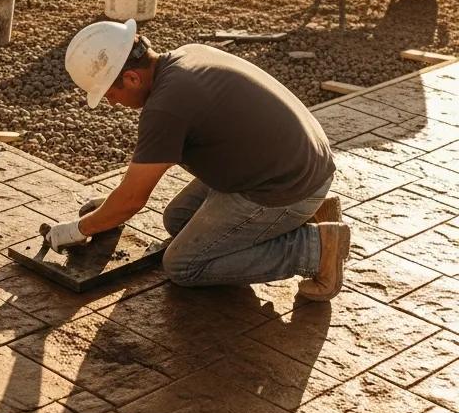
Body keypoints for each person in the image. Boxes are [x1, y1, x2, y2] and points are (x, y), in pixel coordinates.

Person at [47, 21, 351, 301]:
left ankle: (316, 249)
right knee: (176, 220)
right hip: (297, 163)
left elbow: (131, 200)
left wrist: (79, 229)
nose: (112, 103)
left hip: (286, 186)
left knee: (184, 265)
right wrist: (107, 213)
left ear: (131, 77)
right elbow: (135, 187)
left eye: (110, 94)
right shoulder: (187, 55)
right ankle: (310, 213)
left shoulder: (165, 108)